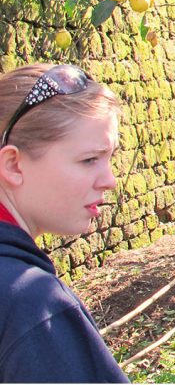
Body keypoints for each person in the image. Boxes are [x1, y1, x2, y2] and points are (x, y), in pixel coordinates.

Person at [0, 64, 128, 382]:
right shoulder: (31, 307)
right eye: (89, 160)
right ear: (13, 164)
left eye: (110, 157)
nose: (110, 180)